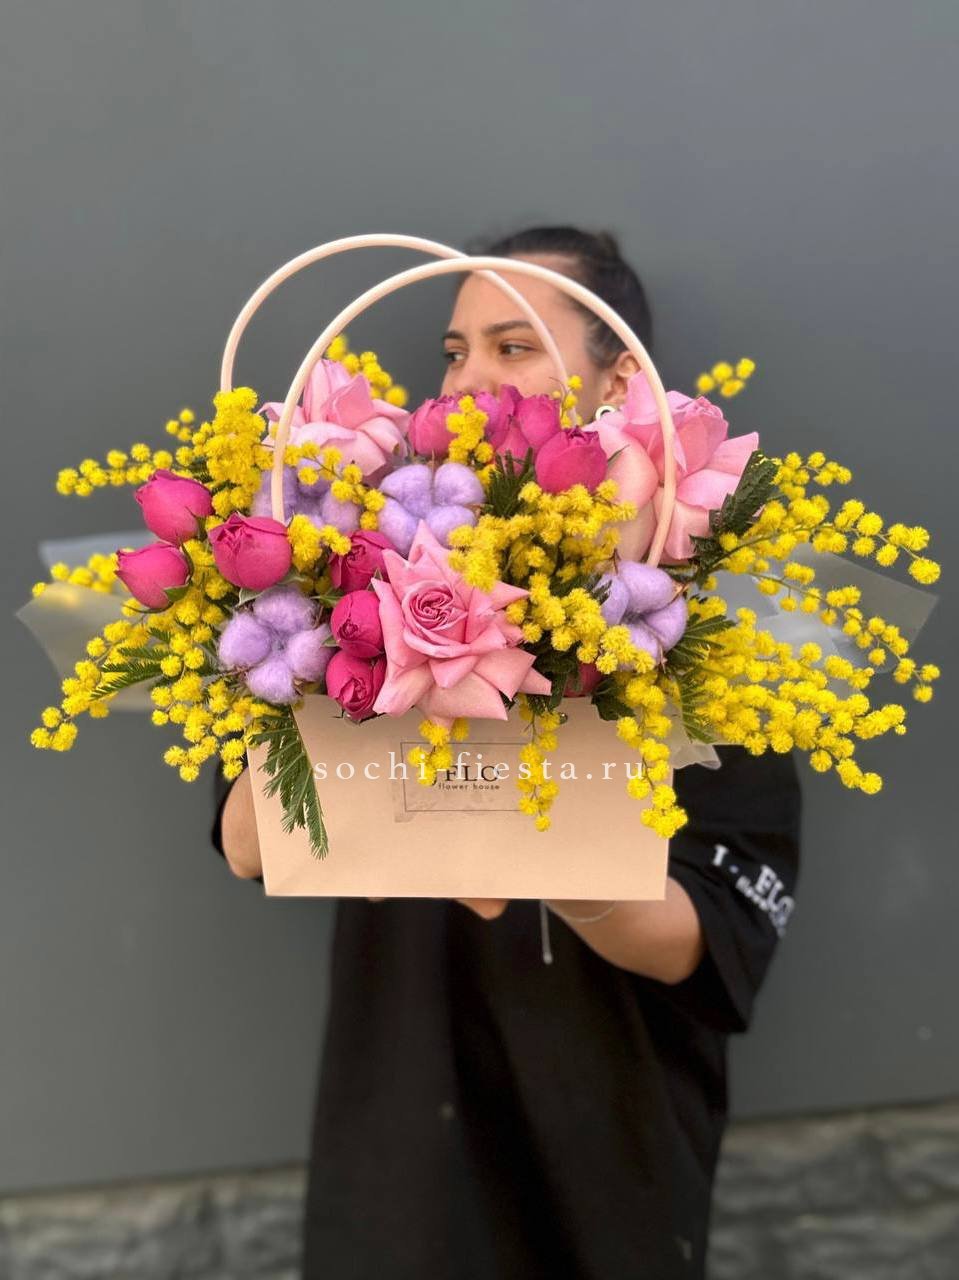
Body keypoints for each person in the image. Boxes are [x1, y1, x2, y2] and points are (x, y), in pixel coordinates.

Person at [210, 225, 802, 1279]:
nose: (469, 376)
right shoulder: (357, 571)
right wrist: (322, 623)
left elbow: (706, 938)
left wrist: (536, 850)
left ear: (616, 381)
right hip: (400, 1159)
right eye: (454, 351)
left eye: (512, 345)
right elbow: (251, 843)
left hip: (604, 1165)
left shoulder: (704, 626)